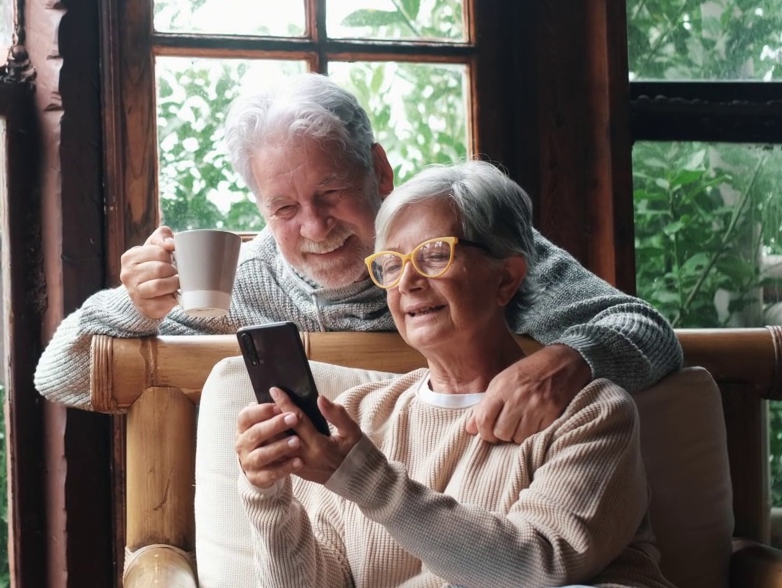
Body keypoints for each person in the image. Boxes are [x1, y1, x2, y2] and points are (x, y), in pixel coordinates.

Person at [34, 73, 681, 442]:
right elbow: (60, 377)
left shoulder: (464, 244)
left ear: (379, 170)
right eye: (284, 209)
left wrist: (570, 361)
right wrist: (133, 306)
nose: (314, 227)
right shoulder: (238, 281)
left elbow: (649, 330)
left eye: (331, 193)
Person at [234, 160, 673, 587]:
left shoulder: (590, 412)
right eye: (391, 265)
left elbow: (539, 566)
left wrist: (363, 477)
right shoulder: (355, 418)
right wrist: (269, 497)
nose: (407, 282)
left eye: (433, 255)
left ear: (506, 279)